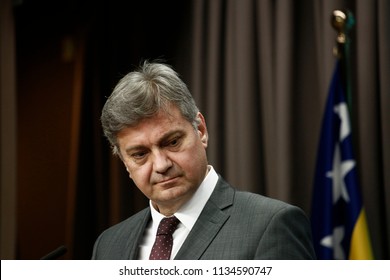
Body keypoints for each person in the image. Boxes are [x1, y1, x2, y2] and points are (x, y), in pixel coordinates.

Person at [92, 61, 316, 260]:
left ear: (200, 130)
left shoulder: (271, 226)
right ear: (124, 162)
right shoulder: (108, 245)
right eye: (140, 154)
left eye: (172, 142)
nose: (161, 165)